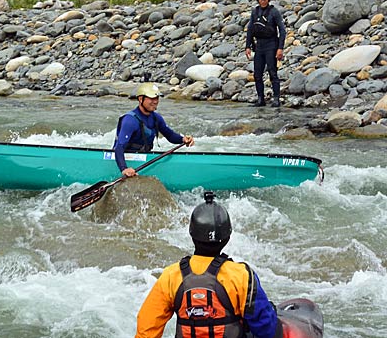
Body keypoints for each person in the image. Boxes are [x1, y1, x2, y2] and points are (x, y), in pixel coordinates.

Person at [136, 191, 281, 338]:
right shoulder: (242, 275)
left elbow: (146, 329)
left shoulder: (171, 276)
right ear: (227, 238)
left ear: (192, 234)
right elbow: (266, 328)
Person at [114, 83, 194, 177]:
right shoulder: (130, 120)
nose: (155, 101)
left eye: (157, 98)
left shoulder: (156, 118)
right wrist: (124, 169)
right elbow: (119, 147)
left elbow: (170, 136)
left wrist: (183, 139)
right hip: (125, 158)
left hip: (144, 156)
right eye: (152, 98)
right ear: (140, 99)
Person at [245, 0, 287, 108]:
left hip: (271, 45)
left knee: (272, 72)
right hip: (259, 46)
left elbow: (282, 31)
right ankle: (260, 99)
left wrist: (280, 48)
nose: (262, 1)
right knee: (257, 74)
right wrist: (248, 46)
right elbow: (250, 29)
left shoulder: (274, 12)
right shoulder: (255, 12)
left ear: (268, 0)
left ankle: (276, 99)